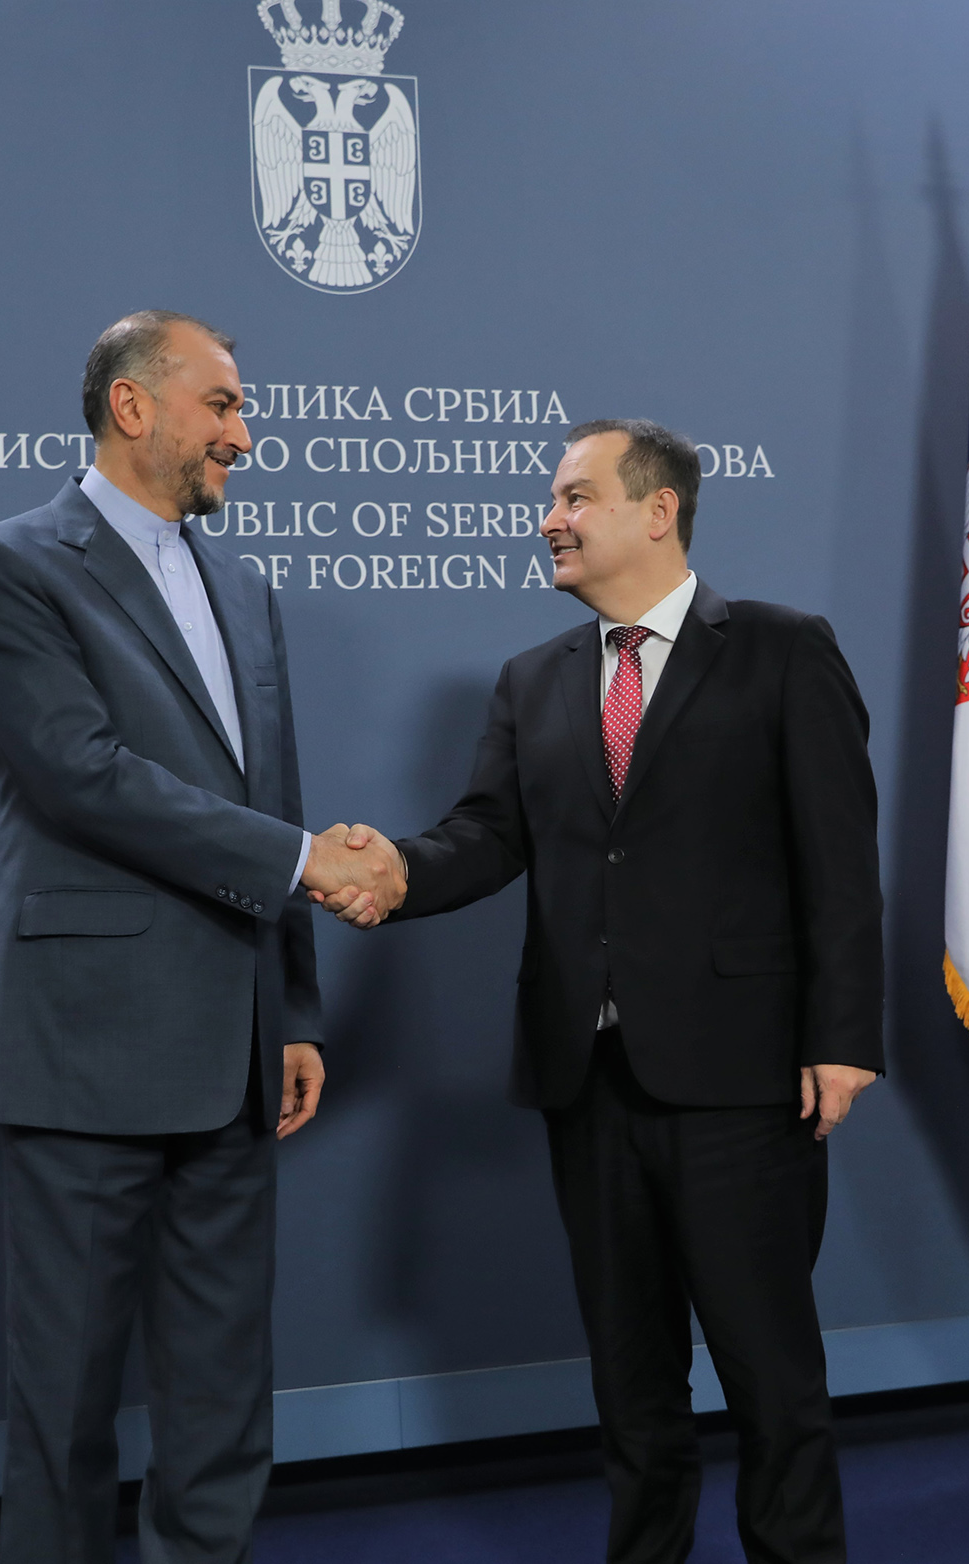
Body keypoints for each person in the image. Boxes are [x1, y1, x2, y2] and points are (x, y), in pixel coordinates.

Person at [323, 420, 882, 1564]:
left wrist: (842, 1036)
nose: (550, 520)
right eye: (552, 500)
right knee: (631, 1387)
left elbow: (838, 857)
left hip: (740, 1083)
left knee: (771, 1382)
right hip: (587, 1084)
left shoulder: (781, 650)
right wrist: (394, 871)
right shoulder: (532, 680)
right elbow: (486, 835)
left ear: (656, 510)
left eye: (574, 496)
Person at [0, 310, 401, 1564]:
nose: (242, 437)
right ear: (132, 405)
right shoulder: (6, 565)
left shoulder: (243, 586)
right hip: (87, 1045)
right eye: (222, 405)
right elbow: (79, 773)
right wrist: (308, 866)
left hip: (236, 1044)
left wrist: (293, 1007)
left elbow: (270, 789)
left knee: (220, 1388)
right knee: (65, 1398)